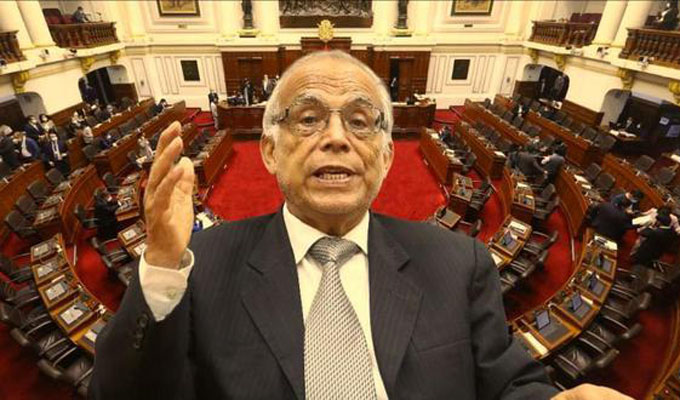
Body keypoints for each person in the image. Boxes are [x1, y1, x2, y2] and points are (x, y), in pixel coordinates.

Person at [90, 50, 631, 400]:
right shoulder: (201, 266)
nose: (336, 138)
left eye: (360, 121)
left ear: (387, 156)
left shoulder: (456, 262)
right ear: (270, 151)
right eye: (308, 118)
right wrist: (161, 267)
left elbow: (508, 386)